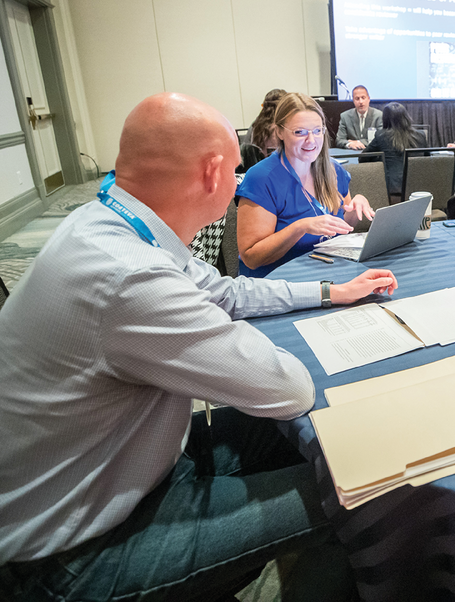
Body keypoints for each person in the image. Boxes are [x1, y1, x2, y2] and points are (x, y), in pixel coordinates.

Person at [0, 92, 399, 601]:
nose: (238, 183)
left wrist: (329, 292)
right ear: (213, 173)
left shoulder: (109, 224)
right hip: (75, 551)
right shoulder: (129, 276)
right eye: (235, 172)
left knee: (310, 439)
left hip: (125, 461)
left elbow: (227, 291)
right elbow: (289, 389)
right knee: (356, 488)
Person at [237, 92, 375, 277]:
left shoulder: (333, 169)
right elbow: (251, 258)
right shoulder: (261, 178)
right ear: (279, 131)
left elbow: (342, 227)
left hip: (323, 273)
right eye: (300, 132)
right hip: (276, 284)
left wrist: (354, 209)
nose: (311, 140)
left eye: (317, 131)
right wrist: (300, 227)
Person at [362, 101, 428, 198]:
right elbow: (427, 160)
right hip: (418, 189)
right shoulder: (420, 135)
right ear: (406, 116)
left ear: (385, 119)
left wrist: (380, 160)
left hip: (392, 191)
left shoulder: (381, 136)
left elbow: (363, 157)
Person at [335, 85, 383, 150]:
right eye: (357, 99)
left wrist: (358, 142)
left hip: (372, 155)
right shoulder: (345, 116)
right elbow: (339, 140)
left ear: (368, 99)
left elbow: (380, 140)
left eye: (363, 98)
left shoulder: (379, 116)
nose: (360, 102)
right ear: (353, 101)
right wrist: (350, 144)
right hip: (352, 154)